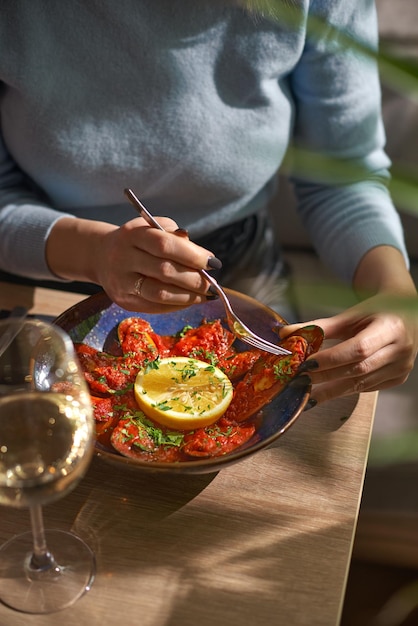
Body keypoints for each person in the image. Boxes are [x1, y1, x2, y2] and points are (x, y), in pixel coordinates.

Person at [0, 0, 417, 408]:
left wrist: (394, 291)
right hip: (46, 274)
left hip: (237, 265)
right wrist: (94, 253)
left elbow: (341, 177)